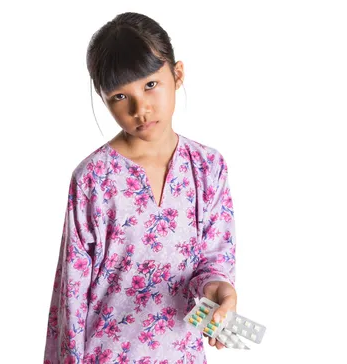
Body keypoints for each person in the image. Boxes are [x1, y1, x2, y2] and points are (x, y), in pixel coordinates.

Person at [43, 12, 238, 364]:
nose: (140, 108)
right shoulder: (93, 179)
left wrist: (219, 292)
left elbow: (212, 262)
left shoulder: (208, 167)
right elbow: (72, 295)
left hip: (182, 355)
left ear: (177, 75)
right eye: (120, 96)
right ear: (103, 99)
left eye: (150, 84)